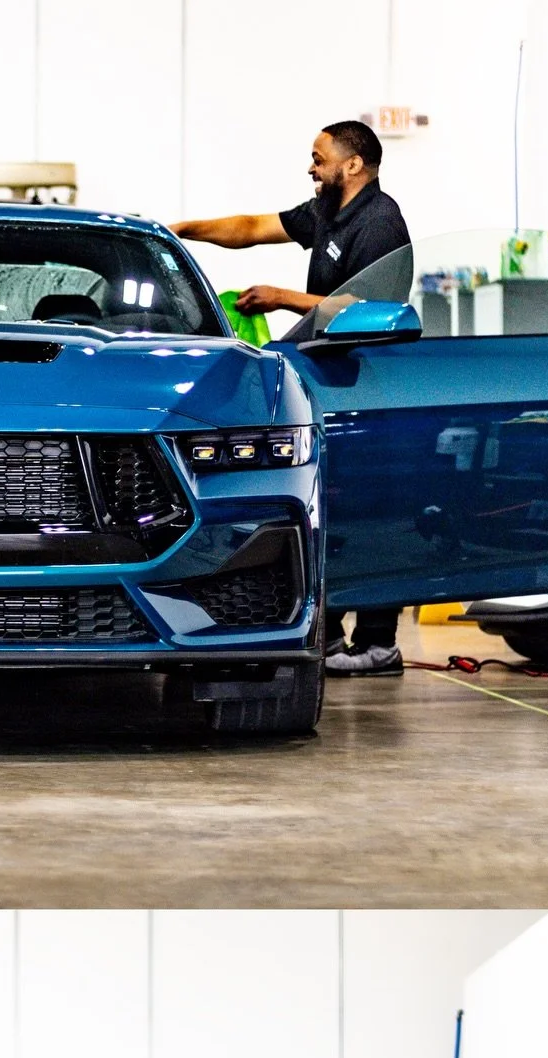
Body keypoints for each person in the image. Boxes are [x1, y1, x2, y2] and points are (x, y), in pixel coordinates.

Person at [171, 120, 412, 676]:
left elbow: (363, 307)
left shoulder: (379, 221)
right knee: (327, 506)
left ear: (353, 164)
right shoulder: (327, 211)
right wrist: (183, 230)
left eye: (318, 158)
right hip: (327, 376)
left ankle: (378, 643)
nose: (311, 167)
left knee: (367, 507)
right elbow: (253, 227)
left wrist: (282, 297)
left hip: (369, 384)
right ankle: (328, 635)